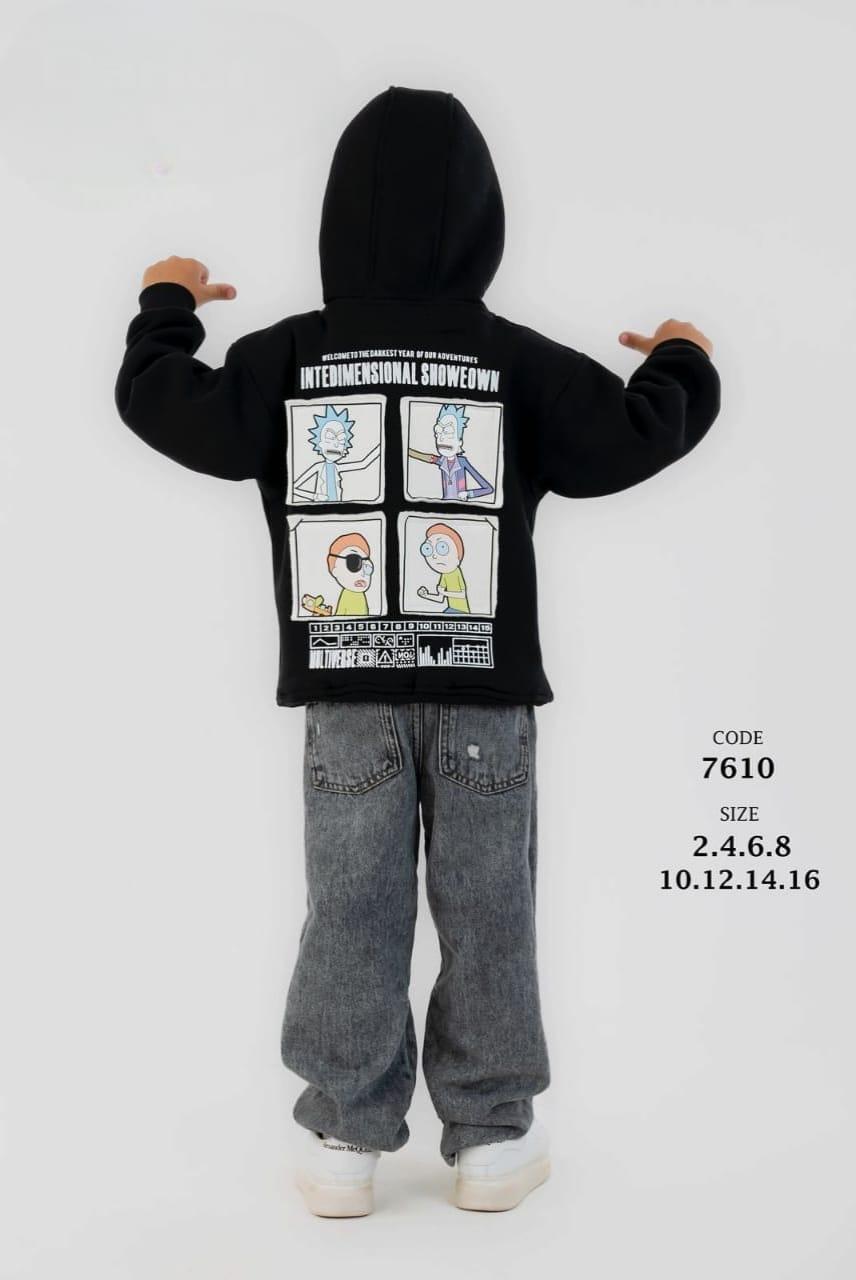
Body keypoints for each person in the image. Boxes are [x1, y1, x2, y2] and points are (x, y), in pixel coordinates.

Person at [114, 85, 721, 1217]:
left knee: (350, 908)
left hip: (346, 695)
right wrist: (681, 359)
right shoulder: (513, 360)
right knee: (490, 912)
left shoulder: (291, 354)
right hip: (486, 696)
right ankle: (490, 1140)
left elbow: (164, 403)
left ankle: (344, 1138)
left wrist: (169, 303)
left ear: (338, 215)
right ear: (483, 222)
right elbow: (630, 436)